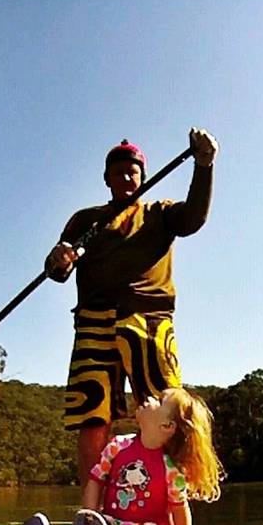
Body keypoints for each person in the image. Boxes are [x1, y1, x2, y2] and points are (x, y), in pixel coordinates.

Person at [45, 128, 219, 490]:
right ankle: (94, 513)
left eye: (133, 171)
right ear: (107, 178)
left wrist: (204, 165)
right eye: (119, 171)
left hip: (150, 320)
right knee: (93, 417)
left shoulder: (161, 213)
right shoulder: (85, 220)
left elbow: (194, 219)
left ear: (142, 176)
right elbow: (58, 270)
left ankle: (174, 506)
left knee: (167, 412)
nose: (127, 176)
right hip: (94, 322)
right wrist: (57, 259)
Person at [21, 387, 224, 525]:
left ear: (166, 426)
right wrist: (87, 520)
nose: (150, 398)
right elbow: (96, 481)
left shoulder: (171, 468)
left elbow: (179, 507)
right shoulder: (118, 446)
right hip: (111, 521)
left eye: (160, 400)